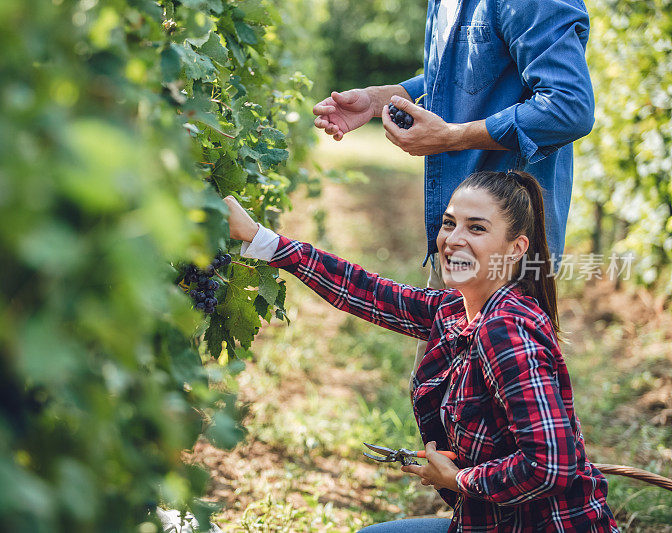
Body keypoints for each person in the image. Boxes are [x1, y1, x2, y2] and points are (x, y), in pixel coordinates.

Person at [222, 170, 619, 532]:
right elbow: (364, 291)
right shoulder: (453, 310)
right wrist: (261, 239)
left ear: (515, 249)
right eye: (449, 224)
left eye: (476, 228)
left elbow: (552, 466)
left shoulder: (506, 332)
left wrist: (457, 479)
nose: (453, 239)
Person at [312, 0, 596, 392]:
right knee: (442, 404)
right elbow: (463, 76)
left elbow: (569, 107)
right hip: (460, 237)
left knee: (493, 422)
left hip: (505, 253)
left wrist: (452, 137)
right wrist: (383, 99)